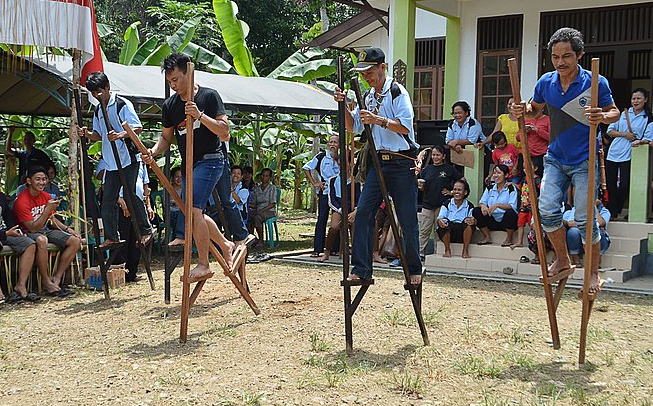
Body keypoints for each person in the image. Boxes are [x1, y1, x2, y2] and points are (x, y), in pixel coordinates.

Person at [511, 27, 619, 293]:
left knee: (584, 218)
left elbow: (615, 111)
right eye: (556, 57)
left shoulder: (595, 82)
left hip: (585, 159)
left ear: (579, 55)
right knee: (545, 211)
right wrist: (518, 110)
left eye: (567, 56)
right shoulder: (546, 83)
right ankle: (562, 258)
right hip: (555, 158)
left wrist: (603, 118)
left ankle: (593, 273)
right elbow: (533, 111)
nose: (561, 62)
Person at [333, 47, 422, 284]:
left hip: (401, 163)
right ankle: (362, 269)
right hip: (377, 163)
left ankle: (414, 268)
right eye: (363, 74)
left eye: (369, 72)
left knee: (406, 218)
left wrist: (378, 120)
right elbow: (353, 127)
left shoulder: (396, 92)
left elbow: (405, 127)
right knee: (362, 213)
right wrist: (343, 105)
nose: (366, 77)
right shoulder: (369, 96)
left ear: (383, 67)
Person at [144, 53, 235, 279]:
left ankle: (204, 263)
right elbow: (166, 138)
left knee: (193, 210)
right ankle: (225, 244)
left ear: (188, 72)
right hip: (189, 165)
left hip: (212, 159)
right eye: (169, 82)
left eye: (176, 79)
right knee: (194, 212)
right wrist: (153, 152)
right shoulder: (170, 106)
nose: (173, 85)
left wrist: (200, 115)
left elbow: (225, 132)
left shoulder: (209, 96)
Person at [80, 71, 152, 249]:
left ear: (107, 87)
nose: (97, 96)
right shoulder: (98, 110)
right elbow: (99, 135)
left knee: (132, 193)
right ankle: (112, 236)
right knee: (108, 199)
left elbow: (138, 128)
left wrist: (120, 134)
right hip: (111, 161)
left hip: (128, 158)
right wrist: (87, 133)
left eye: (99, 92)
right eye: (93, 93)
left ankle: (146, 229)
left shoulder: (122, 104)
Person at [13, 166, 81, 297]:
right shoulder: (21, 201)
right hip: (27, 231)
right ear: (29, 181)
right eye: (37, 179)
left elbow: (52, 219)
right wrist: (46, 210)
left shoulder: (45, 196)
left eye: (44, 179)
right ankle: (46, 280)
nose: (42, 182)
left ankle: (57, 278)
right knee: (41, 240)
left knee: (75, 240)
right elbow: (33, 228)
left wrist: (68, 229)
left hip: (45, 229)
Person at [605, 88, 653, 220]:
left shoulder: (648, 118)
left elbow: (648, 138)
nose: (636, 101)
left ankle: (617, 207)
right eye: (634, 98)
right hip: (614, 151)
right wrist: (624, 134)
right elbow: (610, 131)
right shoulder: (622, 114)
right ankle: (613, 212)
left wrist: (640, 141)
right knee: (611, 184)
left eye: (638, 98)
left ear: (646, 100)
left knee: (625, 184)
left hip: (631, 153)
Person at [416, 145, 463, 258]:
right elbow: (422, 187)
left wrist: (452, 192)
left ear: (443, 156)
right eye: (433, 155)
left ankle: (438, 253)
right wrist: (420, 186)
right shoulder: (427, 169)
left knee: (440, 230)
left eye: (438, 155)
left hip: (442, 205)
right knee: (424, 230)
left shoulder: (449, 169)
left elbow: (462, 180)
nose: (435, 157)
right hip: (427, 204)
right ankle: (420, 253)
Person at [113, 156, 154, 282]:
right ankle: (119, 273)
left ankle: (132, 272)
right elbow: (107, 186)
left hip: (139, 206)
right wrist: (122, 203)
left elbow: (145, 186)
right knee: (123, 238)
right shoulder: (115, 161)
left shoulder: (141, 163)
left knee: (138, 239)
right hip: (122, 205)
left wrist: (148, 206)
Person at [319, 156, 361, 262]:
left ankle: (357, 255)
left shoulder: (355, 181)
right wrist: (340, 209)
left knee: (355, 227)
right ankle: (327, 252)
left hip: (352, 209)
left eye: (344, 163)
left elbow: (359, 198)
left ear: (350, 164)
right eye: (339, 164)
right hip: (339, 208)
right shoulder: (333, 180)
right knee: (334, 227)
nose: (341, 166)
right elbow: (331, 199)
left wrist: (355, 212)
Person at [303, 134, 339, 257]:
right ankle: (317, 249)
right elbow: (306, 168)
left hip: (338, 193)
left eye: (335, 142)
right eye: (331, 142)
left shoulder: (343, 157)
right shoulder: (321, 156)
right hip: (324, 192)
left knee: (337, 219)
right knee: (322, 218)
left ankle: (335, 248)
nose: (333, 144)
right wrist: (315, 183)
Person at [0, 191, 40, 303]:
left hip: (5, 233)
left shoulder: (1, 196)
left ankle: (21, 285)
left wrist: (18, 230)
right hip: (4, 234)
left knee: (29, 244)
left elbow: (9, 217)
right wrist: (5, 234)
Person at [472, 164, 518, 246]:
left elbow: (512, 206)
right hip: (492, 219)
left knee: (511, 213)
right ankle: (487, 236)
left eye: (499, 173)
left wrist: (497, 205)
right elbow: (481, 202)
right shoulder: (490, 188)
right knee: (476, 211)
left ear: (506, 175)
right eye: (494, 173)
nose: (495, 175)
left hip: (505, 220)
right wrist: (484, 206)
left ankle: (509, 238)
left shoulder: (510, 188)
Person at [564, 199, 611, 267]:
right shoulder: (577, 208)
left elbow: (600, 222)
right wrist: (590, 225)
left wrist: (593, 207)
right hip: (581, 240)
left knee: (597, 232)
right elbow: (571, 223)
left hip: (596, 239)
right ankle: (575, 257)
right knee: (573, 231)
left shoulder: (604, 211)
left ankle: (596, 259)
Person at [436, 179, 475, 258]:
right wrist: (440, 221)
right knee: (443, 222)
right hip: (449, 232)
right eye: (455, 189)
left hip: (462, 233)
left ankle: (465, 250)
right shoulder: (446, 203)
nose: (456, 192)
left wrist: (472, 221)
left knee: (468, 224)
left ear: (465, 192)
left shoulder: (469, 206)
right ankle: (447, 250)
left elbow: (472, 219)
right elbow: (440, 217)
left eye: (459, 190)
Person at [445, 101, 485, 171]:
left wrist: (457, 141)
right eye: (455, 113)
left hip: (476, 153)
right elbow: (448, 140)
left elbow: (472, 140)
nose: (457, 116)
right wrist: (456, 145)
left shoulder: (473, 123)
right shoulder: (451, 124)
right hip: (458, 152)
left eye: (459, 113)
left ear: (466, 113)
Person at [511, 163, 542, 249]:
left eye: (528, 167)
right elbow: (520, 189)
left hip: (533, 207)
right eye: (524, 168)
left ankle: (535, 242)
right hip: (523, 206)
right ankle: (519, 241)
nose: (526, 169)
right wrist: (512, 184)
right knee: (520, 223)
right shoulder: (524, 179)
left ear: (535, 168)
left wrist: (538, 200)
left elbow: (542, 190)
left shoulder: (537, 179)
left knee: (532, 224)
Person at [249, 168, 277, 248]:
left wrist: (260, 211)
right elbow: (254, 203)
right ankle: (252, 239)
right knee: (248, 216)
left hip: (269, 210)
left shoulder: (272, 188)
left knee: (258, 217)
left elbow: (272, 204)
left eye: (266, 176)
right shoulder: (256, 188)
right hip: (258, 209)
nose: (264, 177)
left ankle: (261, 241)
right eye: (263, 175)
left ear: (269, 178)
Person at [518, 106, 550, 177]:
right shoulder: (526, 120)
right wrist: (524, 132)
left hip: (541, 155)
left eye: (536, 110)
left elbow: (551, 138)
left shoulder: (547, 119)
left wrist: (538, 130)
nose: (533, 113)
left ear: (542, 109)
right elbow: (518, 138)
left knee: (541, 178)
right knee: (525, 178)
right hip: (527, 154)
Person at [168, 167, 183, 239]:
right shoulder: (168, 189)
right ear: (172, 178)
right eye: (177, 177)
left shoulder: (186, 189)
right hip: (171, 213)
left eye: (181, 177)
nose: (179, 179)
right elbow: (166, 205)